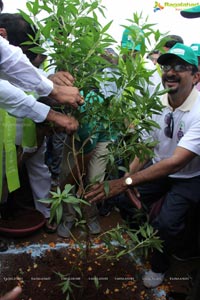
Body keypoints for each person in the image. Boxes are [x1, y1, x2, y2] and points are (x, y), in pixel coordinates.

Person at [85, 43, 200, 288]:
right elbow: (146, 146)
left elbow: (177, 161)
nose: (171, 72)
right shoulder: (158, 103)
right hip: (159, 169)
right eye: (167, 66)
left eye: (180, 67)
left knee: (167, 223)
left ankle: (160, 265)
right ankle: (143, 241)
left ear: (196, 75)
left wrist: (124, 181)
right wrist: (128, 178)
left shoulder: (199, 111)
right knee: (124, 201)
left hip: (189, 177)